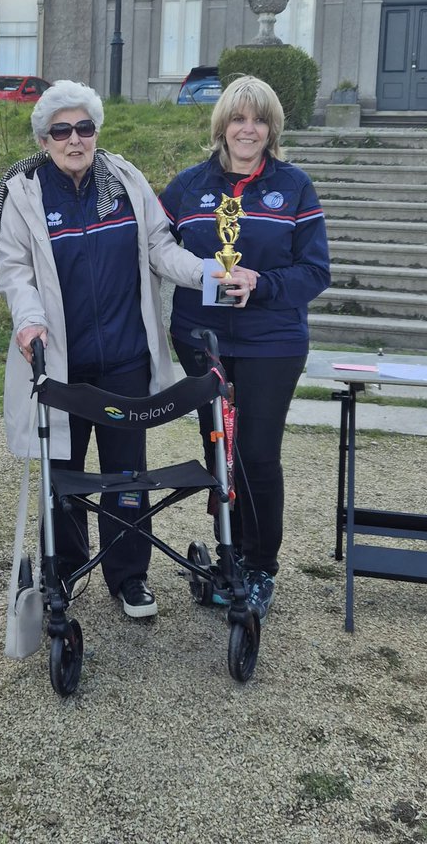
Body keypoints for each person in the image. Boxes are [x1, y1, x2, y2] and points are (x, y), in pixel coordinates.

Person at [0, 80, 251, 619]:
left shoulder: (126, 180)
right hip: (62, 363)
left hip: (126, 361)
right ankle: (65, 572)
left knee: (128, 477)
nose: (74, 139)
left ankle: (128, 576)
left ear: (96, 132)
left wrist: (207, 271)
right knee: (63, 475)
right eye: (62, 130)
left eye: (84, 127)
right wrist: (29, 321)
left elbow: (160, 248)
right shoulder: (25, 193)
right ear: (45, 139)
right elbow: (15, 272)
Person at [160, 74, 331, 624]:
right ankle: (228, 553)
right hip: (201, 338)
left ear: (272, 128)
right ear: (222, 125)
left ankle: (261, 564)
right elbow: (153, 245)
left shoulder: (295, 186)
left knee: (256, 453)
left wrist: (264, 283)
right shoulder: (187, 186)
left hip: (271, 341)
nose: (247, 129)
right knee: (220, 452)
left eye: (258, 119)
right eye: (237, 118)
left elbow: (316, 270)